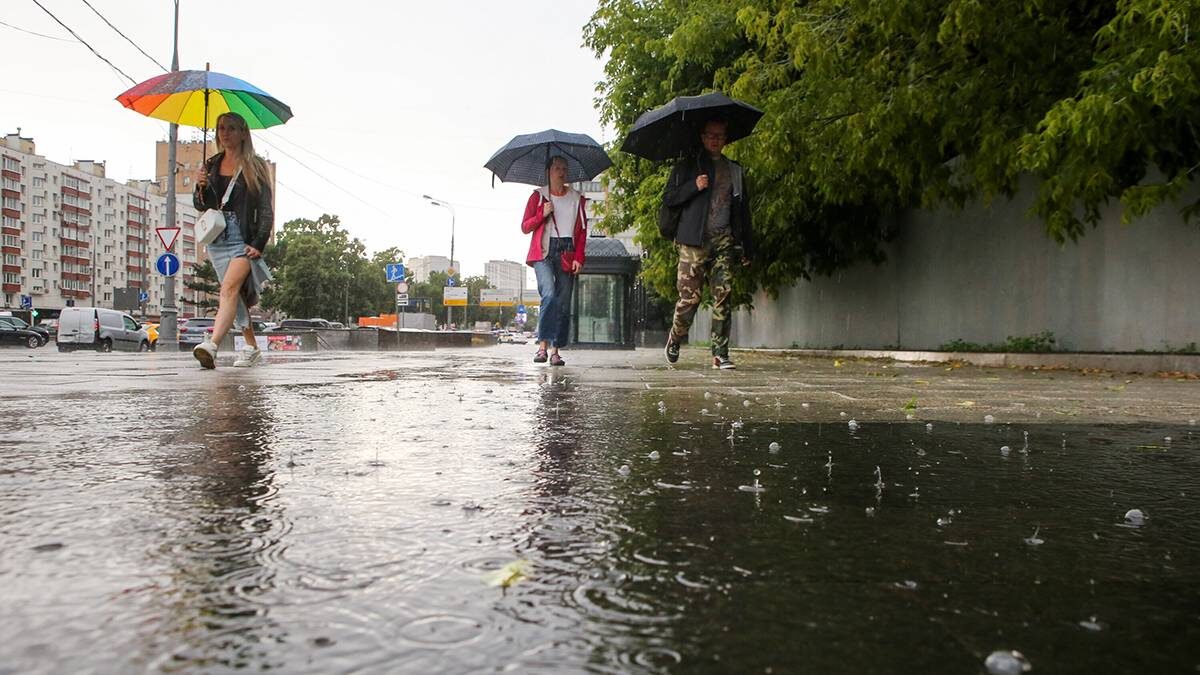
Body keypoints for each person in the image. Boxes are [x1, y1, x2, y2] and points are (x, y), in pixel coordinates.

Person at [661, 119, 755, 369]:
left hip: (724, 239)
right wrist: (694, 185)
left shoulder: (734, 170)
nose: (715, 139)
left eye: (720, 135)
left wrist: (747, 246)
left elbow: (743, 211)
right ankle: (676, 336)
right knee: (689, 300)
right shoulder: (687, 167)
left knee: (723, 295)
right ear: (702, 137)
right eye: (710, 135)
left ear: (726, 139)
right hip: (693, 241)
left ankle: (720, 353)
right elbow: (669, 199)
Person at [191, 112, 274, 369]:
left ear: (242, 133)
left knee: (227, 289)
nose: (224, 133)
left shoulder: (255, 166)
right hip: (217, 237)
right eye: (220, 128)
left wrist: (258, 243)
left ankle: (212, 345)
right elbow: (201, 206)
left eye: (230, 128)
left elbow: (266, 208)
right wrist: (200, 187)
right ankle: (251, 347)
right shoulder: (212, 164)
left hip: (242, 238)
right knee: (234, 295)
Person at [521, 155, 587, 366]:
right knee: (548, 294)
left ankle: (556, 350)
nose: (561, 172)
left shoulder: (577, 198)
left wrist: (579, 258)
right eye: (557, 168)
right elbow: (525, 227)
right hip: (544, 252)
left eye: (564, 168)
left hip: (568, 251)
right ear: (548, 171)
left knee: (563, 303)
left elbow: (583, 232)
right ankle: (542, 347)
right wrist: (542, 212)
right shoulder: (538, 197)